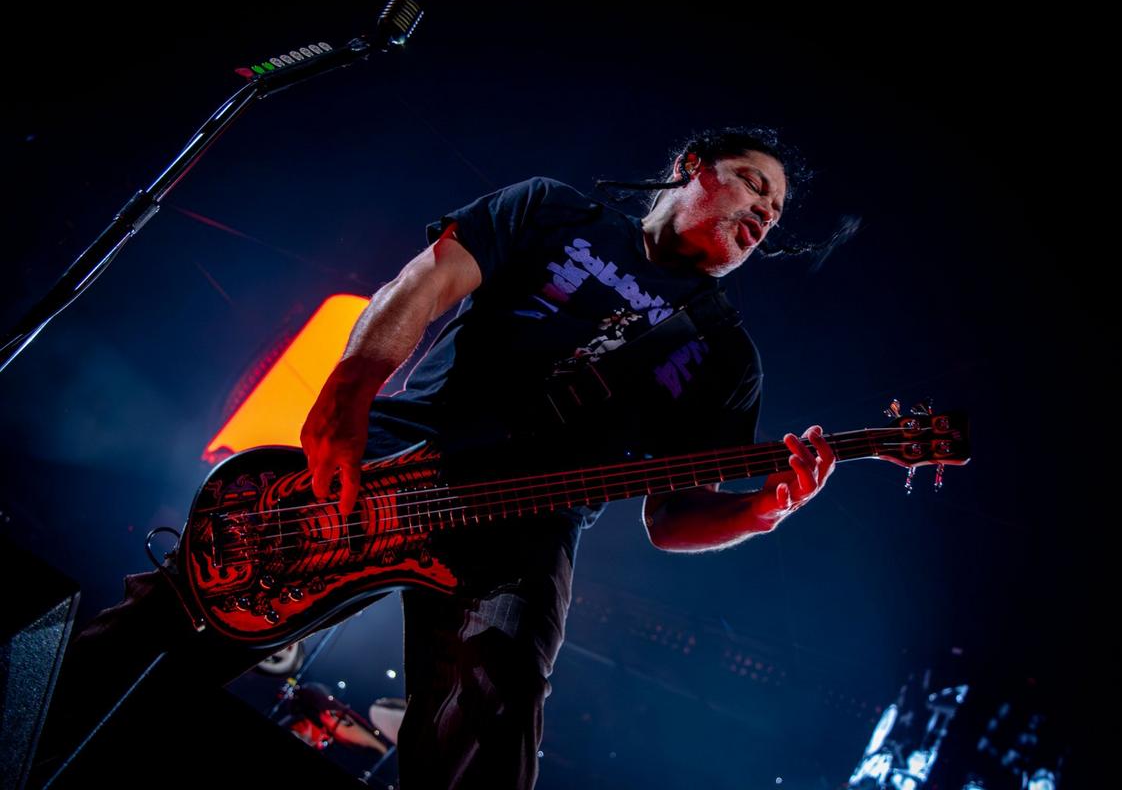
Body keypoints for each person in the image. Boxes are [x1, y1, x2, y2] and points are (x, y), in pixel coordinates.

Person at [35, 126, 836, 789]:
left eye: (775, 215)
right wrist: (348, 395)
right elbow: (424, 283)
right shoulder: (556, 210)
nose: (765, 215)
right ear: (692, 165)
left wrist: (763, 509)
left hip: (526, 531)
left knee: (490, 720)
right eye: (753, 185)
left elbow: (672, 519)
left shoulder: (727, 355)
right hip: (403, 449)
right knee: (187, 612)